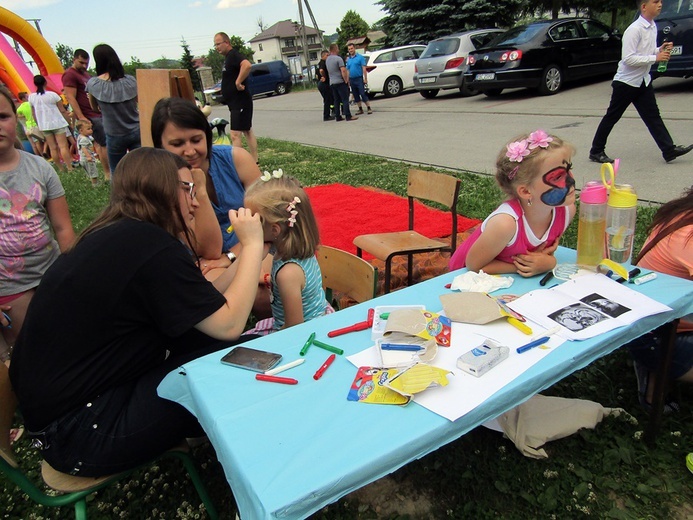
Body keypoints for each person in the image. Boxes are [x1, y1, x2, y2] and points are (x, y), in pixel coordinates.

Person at [8, 147, 265, 477]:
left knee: (208, 343)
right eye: (187, 189)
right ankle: (256, 459)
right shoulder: (150, 246)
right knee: (229, 364)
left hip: (62, 420)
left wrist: (243, 256)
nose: (196, 202)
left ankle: (216, 431)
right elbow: (228, 324)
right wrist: (254, 245)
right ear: (159, 188)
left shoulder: (122, 235)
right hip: (81, 432)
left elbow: (201, 305)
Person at [0, 86, 75, 362]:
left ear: (16, 119)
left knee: (63, 339)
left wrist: (70, 274)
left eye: (2, 116)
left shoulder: (40, 168)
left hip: (50, 272)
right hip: (8, 287)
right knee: (25, 352)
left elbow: (63, 227)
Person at [151, 97, 263, 266]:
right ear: (160, 147)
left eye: (196, 140)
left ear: (207, 136)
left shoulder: (237, 159)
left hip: (256, 247)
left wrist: (232, 256)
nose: (190, 151)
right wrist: (199, 192)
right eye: (177, 144)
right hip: (205, 261)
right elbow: (209, 250)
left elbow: (269, 218)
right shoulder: (160, 183)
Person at [449, 130, 576, 276]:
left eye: (569, 169)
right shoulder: (505, 224)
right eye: (558, 176)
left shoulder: (567, 211)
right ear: (526, 191)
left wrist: (546, 262)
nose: (571, 180)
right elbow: (473, 265)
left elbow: (541, 254)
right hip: (462, 279)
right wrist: (533, 266)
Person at [589, 0, 692, 164]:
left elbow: (646, 51)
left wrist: (660, 49)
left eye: (660, 2)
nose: (660, 5)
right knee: (612, 116)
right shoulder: (634, 29)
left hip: (643, 81)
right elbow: (628, 59)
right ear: (644, 6)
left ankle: (668, 149)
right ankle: (596, 151)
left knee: (653, 116)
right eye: (655, 2)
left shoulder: (652, 26)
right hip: (626, 83)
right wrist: (655, 58)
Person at [626, 185, 693, 412]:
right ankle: (656, 374)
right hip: (655, 335)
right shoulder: (689, 236)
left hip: (654, 321)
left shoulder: (685, 212)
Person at [244, 171, 329, 330]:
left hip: (304, 332)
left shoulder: (287, 274)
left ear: (274, 230)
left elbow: (294, 327)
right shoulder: (296, 251)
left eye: (252, 218)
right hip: (318, 315)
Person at [86, 44, 140, 170]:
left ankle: (119, 190)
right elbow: (138, 101)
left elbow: (94, 108)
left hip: (114, 133)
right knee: (140, 167)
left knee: (116, 170)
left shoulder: (94, 84)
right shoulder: (130, 81)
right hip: (136, 130)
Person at [62, 48, 111, 181]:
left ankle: (107, 173)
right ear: (74, 59)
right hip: (88, 115)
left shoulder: (86, 75)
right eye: (81, 62)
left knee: (101, 144)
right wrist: (81, 116)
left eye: (86, 63)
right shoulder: (70, 75)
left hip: (96, 113)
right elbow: (71, 97)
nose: (84, 66)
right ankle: (108, 173)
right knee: (105, 143)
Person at [213, 32, 258, 163]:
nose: (216, 47)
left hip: (240, 101)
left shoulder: (233, 55)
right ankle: (254, 160)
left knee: (235, 134)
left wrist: (238, 82)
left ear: (226, 42)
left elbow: (247, 65)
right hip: (234, 102)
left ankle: (239, 163)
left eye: (218, 44)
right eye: (215, 45)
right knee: (247, 130)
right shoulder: (228, 58)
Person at [28, 75, 74, 172]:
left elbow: (33, 113)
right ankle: (69, 167)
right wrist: (69, 122)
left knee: (53, 148)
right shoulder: (53, 95)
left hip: (44, 125)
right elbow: (62, 110)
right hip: (58, 123)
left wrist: (39, 124)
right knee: (63, 146)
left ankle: (60, 168)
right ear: (45, 82)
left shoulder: (31, 97)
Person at [326, 44, 358, 122]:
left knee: (336, 100)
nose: (338, 50)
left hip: (332, 82)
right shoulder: (338, 59)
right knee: (345, 99)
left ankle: (338, 116)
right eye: (338, 48)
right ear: (335, 49)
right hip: (340, 81)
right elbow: (343, 70)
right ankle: (348, 115)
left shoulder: (327, 59)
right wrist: (346, 80)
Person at [346, 43, 372, 115]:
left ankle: (368, 107)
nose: (350, 50)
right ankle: (360, 109)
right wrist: (347, 81)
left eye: (351, 48)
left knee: (362, 94)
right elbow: (347, 70)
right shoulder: (348, 59)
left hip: (359, 78)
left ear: (354, 48)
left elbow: (364, 68)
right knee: (355, 94)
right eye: (349, 49)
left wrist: (365, 78)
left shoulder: (360, 57)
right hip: (352, 79)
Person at [15, 92, 44, 157]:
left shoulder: (20, 108)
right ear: (24, 98)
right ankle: (44, 155)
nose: (28, 98)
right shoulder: (30, 104)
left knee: (34, 144)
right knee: (40, 141)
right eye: (27, 96)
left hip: (27, 127)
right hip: (34, 124)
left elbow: (18, 116)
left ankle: (39, 156)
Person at [76, 120, 98, 187]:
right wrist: (88, 156)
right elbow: (84, 148)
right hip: (87, 158)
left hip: (82, 159)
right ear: (81, 131)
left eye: (91, 128)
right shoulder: (84, 139)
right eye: (88, 129)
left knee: (89, 171)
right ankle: (95, 184)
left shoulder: (80, 137)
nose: (91, 130)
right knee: (93, 171)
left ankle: (91, 182)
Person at [317, 50, 334, 121]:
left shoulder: (324, 62)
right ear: (323, 56)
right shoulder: (323, 62)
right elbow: (321, 70)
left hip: (324, 84)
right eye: (327, 55)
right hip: (323, 84)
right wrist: (324, 76)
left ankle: (331, 112)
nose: (328, 57)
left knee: (329, 98)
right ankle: (326, 116)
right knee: (327, 99)